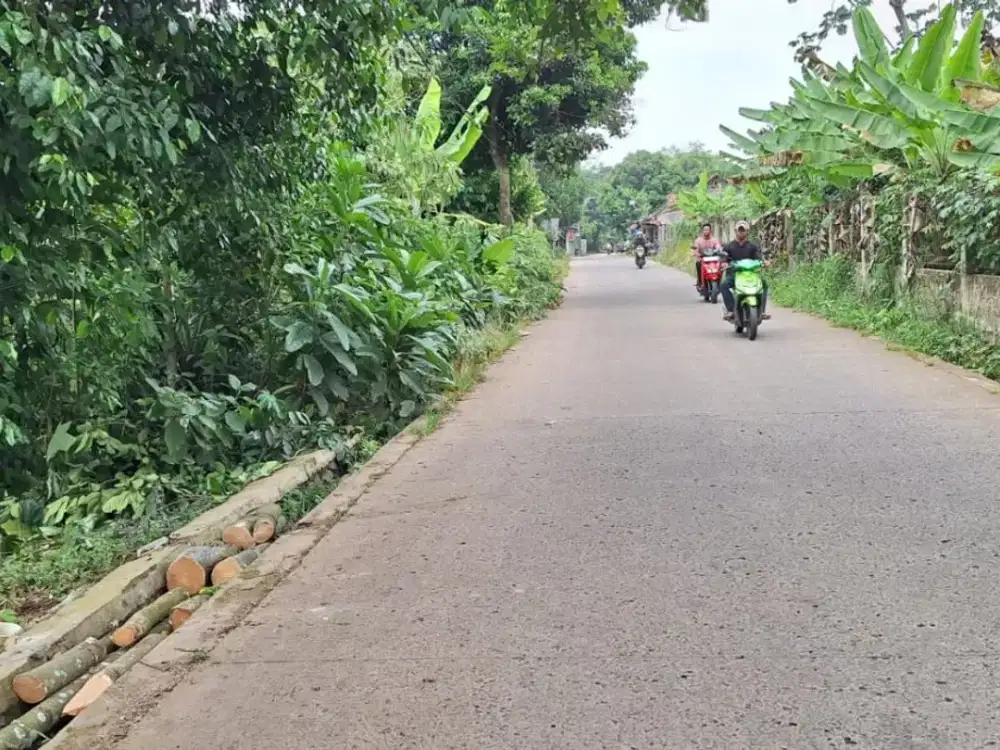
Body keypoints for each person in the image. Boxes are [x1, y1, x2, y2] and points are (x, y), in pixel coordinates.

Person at [721, 220, 770, 321]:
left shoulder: (753, 246)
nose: (741, 232)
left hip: (751, 275)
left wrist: (764, 263)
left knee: (764, 284)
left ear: (747, 231)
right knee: (724, 284)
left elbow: (759, 258)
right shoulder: (729, 246)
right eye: (739, 230)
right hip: (734, 275)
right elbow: (724, 258)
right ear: (736, 231)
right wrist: (724, 263)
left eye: (743, 230)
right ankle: (731, 310)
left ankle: (762, 311)